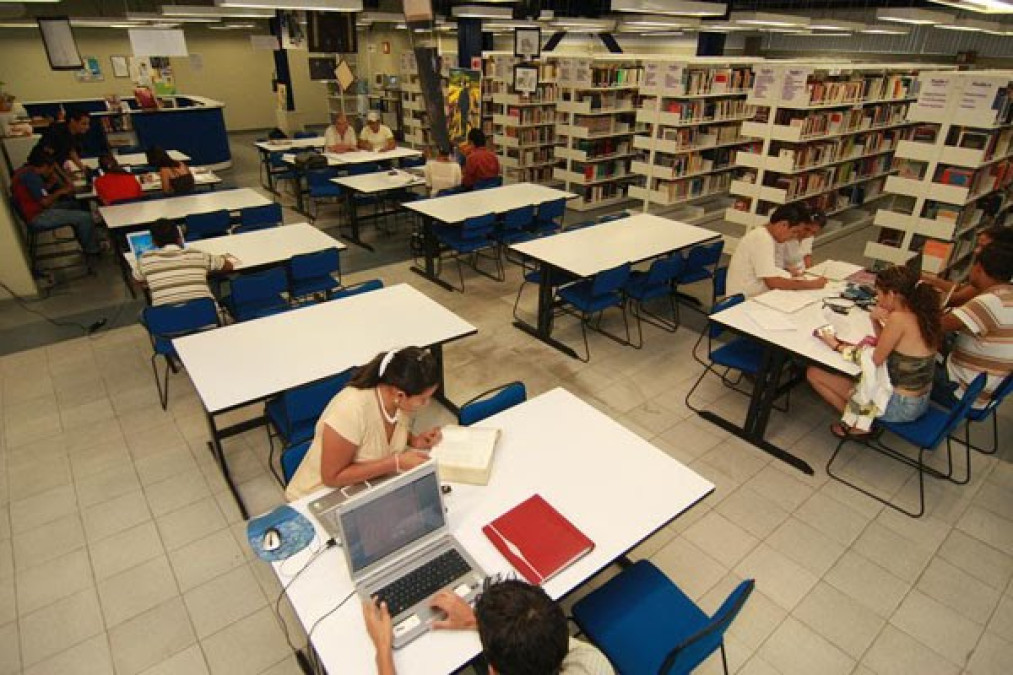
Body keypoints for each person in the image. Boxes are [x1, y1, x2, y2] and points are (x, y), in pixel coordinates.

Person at [284, 347, 444, 501]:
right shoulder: (350, 410)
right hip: (320, 495)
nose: (427, 404)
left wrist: (414, 441)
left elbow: (385, 430)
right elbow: (331, 477)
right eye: (423, 399)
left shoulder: (397, 401)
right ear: (400, 394)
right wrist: (395, 462)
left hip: (363, 488)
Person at [362, 578, 614, 675]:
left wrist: (383, 648)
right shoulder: (593, 664)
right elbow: (539, 635)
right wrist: (476, 621)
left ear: (492, 670)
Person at [807, 265, 941, 436]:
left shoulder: (898, 319)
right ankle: (860, 420)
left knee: (814, 373)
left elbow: (875, 359)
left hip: (898, 406)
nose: (877, 298)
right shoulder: (923, 315)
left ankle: (858, 425)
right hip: (919, 401)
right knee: (860, 378)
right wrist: (875, 321)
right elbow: (886, 346)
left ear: (891, 294)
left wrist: (835, 345)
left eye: (878, 293)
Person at [932, 242, 1013, 409]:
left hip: (960, 391)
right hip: (986, 389)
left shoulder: (990, 302)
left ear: (979, 268)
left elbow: (934, 326)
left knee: (896, 354)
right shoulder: (1007, 295)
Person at [11, 149, 102, 256]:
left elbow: (38, 193)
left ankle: (85, 237)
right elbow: (45, 202)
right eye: (51, 169)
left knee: (77, 204)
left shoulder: (25, 172)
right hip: (37, 216)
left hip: (34, 209)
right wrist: (60, 192)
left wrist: (51, 183)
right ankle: (92, 250)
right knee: (85, 217)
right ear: (44, 166)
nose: (51, 172)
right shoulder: (31, 178)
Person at [726, 204, 828, 298]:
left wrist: (787, 273)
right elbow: (772, 282)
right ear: (783, 224)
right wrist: (812, 285)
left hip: (756, 295)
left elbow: (767, 269)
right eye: (794, 232)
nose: (794, 236)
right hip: (743, 302)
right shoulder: (762, 239)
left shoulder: (767, 236)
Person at [133, 218, 234, 306]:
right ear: (179, 238)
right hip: (206, 316)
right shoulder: (197, 254)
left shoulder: (144, 259)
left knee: (142, 315)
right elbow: (228, 266)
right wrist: (203, 271)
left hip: (167, 324)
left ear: (154, 242)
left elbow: (137, 280)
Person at [921, 225, 1013, 308]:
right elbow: (959, 288)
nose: (976, 251)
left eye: (983, 247)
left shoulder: (990, 276)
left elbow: (956, 299)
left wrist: (918, 289)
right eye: (977, 245)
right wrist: (926, 278)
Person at [37, 109, 91, 182]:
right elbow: (49, 158)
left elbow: (71, 151)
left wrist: (83, 168)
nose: (87, 127)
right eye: (84, 124)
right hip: (41, 168)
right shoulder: (57, 132)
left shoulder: (76, 133)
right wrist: (64, 176)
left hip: (55, 167)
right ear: (72, 121)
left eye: (88, 124)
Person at [775, 209, 826, 275]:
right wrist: (787, 271)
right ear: (801, 224)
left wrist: (811, 273)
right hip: (785, 275)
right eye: (806, 229)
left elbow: (807, 255)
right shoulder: (784, 237)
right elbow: (775, 267)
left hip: (801, 273)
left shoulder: (809, 236)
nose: (808, 234)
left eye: (814, 232)